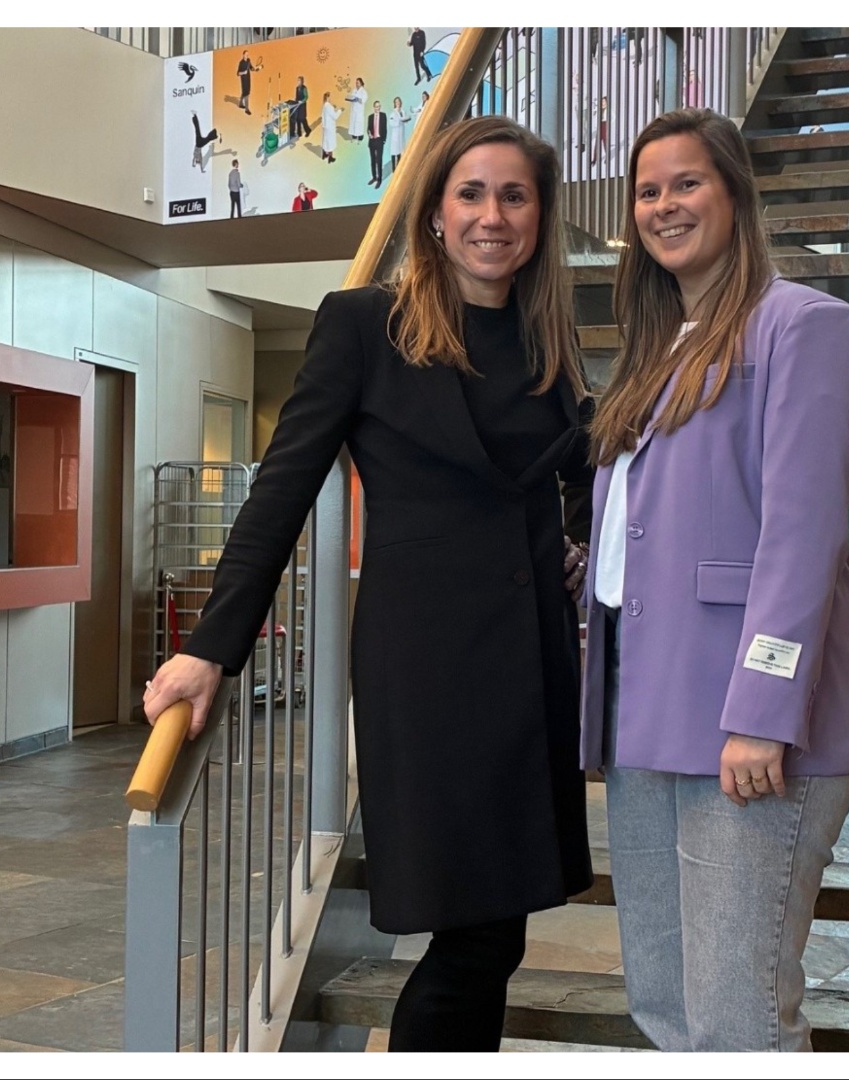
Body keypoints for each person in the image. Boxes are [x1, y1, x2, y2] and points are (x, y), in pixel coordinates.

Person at [142, 115, 594, 1053]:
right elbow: (282, 489)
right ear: (433, 212)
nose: (492, 216)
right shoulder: (364, 326)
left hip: (530, 668)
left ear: (542, 217)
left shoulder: (550, 338)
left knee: (497, 931)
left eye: (515, 196)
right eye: (471, 193)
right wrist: (210, 647)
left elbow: (589, 469)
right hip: (424, 668)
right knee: (469, 933)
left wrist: (586, 540)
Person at [580, 108, 849, 1052]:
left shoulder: (804, 325)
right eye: (649, 189)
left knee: (738, 1021)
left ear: (736, 195)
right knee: (663, 1004)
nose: (665, 205)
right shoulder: (662, 344)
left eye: (687, 183)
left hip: (745, 726)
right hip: (645, 718)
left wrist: (762, 710)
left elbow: (802, 532)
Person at [366, 100, 388, 188]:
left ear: (380, 107)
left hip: (379, 141)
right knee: (373, 161)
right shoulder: (370, 117)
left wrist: (384, 140)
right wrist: (369, 134)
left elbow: (385, 128)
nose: (377, 108)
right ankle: (374, 177)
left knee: (379, 161)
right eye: (376, 106)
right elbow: (368, 128)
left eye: (379, 106)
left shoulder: (383, 116)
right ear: (374, 107)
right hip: (372, 141)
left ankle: (379, 180)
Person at [388, 96, 412, 175]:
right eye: (396, 102)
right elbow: (391, 123)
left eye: (398, 101)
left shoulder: (402, 111)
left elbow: (405, 119)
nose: (397, 103)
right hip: (395, 134)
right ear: (394, 104)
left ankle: (399, 167)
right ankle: (394, 169)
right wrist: (398, 122)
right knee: (394, 151)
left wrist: (406, 119)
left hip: (401, 134)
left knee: (400, 151)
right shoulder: (393, 113)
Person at [320, 92, 340, 163]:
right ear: (328, 98)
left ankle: (324, 154)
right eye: (330, 97)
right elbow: (335, 116)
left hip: (325, 126)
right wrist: (340, 111)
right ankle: (330, 158)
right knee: (331, 141)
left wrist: (333, 108)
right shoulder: (329, 106)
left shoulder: (324, 106)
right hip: (330, 127)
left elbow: (323, 115)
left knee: (325, 140)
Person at [348, 77, 368, 141]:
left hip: (359, 111)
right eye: (356, 83)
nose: (356, 84)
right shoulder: (354, 90)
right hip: (354, 110)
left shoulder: (363, 91)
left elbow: (364, 100)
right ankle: (354, 134)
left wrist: (358, 99)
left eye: (358, 83)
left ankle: (360, 136)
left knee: (359, 123)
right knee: (353, 122)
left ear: (361, 83)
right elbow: (352, 97)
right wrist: (350, 98)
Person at [291, 75, 311, 140]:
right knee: (297, 119)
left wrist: (302, 101)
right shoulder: (297, 88)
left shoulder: (304, 88)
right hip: (297, 106)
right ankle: (299, 133)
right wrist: (295, 102)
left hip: (302, 106)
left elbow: (306, 97)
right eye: (298, 80)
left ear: (302, 81)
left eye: (300, 80)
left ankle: (308, 130)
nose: (299, 82)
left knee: (303, 119)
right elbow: (296, 96)